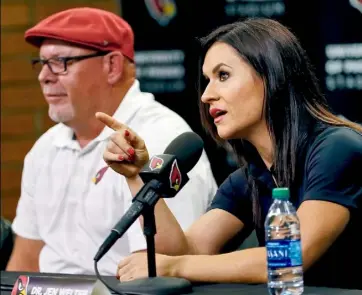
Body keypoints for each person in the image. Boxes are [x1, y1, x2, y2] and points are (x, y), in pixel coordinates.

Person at [99, 18, 362, 289]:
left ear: (272, 76)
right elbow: (186, 251)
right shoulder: (249, 178)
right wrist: (136, 176)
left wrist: (177, 266)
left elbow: (289, 259)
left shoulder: (338, 148)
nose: (206, 95)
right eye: (207, 80)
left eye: (223, 76)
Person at [6, 7, 217, 275]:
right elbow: (24, 264)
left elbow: (160, 270)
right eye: (41, 63)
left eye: (60, 62)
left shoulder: (160, 137)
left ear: (112, 66)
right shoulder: (44, 149)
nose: (43, 76)